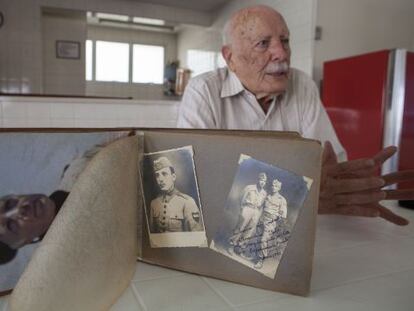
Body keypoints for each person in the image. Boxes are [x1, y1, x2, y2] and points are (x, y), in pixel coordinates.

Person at [177, 5, 413, 225]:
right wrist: (302, 195)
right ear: (230, 57)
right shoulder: (204, 91)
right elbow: (193, 184)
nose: (281, 52)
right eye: (263, 43)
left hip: (297, 228)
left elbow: (329, 169)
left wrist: (346, 185)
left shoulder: (302, 85)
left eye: (285, 40)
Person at [149, 156, 203, 233]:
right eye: (157, 175)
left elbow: (197, 236)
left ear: (173, 177)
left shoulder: (188, 202)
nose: (160, 179)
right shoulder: (154, 204)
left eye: (164, 174)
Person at [228, 172, 267, 258]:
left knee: (249, 231)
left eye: (264, 181)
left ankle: (240, 249)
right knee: (240, 228)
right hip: (247, 208)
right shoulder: (249, 187)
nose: (262, 182)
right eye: (261, 180)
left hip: (256, 211)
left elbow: (262, 205)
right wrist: (243, 209)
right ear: (258, 179)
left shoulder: (264, 193)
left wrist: (258, 214)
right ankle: (231, 246)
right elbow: (241, 198)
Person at [254, 178, 288, 269]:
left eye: (276, 186)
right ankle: (255, 256)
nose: (273, 187)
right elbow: (262, 207)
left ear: (279, 188)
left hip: (270, 222)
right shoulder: (268, 196)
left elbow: (283, 215)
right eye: (273, 185)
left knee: (263, 240)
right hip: (262, 219)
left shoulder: (282, 200)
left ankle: (261, 260)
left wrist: (273, 221)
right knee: (257, 238)